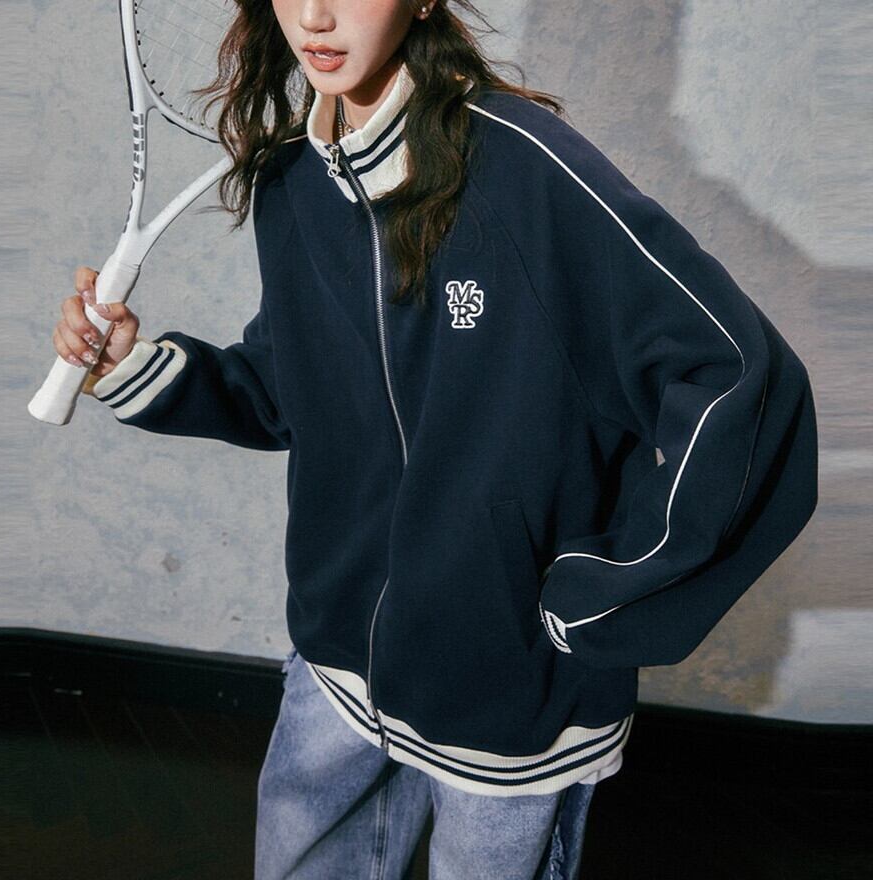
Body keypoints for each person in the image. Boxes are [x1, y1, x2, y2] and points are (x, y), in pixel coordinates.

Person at [52, 1, 819, 877]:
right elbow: (292, 385)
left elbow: (738, 379)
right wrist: (134, 365)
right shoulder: (294, 178)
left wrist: (604, 597)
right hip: (339, 657)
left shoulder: (525, 167)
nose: (316, 15)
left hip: (507, 687)